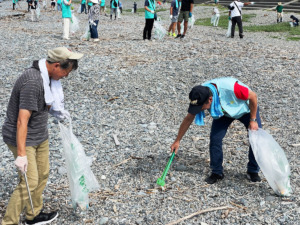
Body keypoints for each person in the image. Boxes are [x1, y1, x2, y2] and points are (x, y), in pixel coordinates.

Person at [1, 47, 83, 225]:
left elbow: (45, 106)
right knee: (29, 182)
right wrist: (21, 155)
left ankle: (33, 214)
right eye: (65, 72)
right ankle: (9, 222)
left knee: (43, 174)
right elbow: (22, 121)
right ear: (55, 66)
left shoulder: (49, 80)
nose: (65, 77)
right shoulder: (33, 82)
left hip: (39, 135)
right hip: (22, 137)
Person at [170, 77, 263, 184]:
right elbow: (189, 118)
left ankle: (253, 171)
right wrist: (177, 140)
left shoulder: (232, 89)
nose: (199, 110)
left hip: (245, 110)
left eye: (201, 107)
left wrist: (253, 120)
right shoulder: (199, 94)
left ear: (210, 99)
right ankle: (217, 172)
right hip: (222, 111)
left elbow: (253, 96)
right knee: (215, 139)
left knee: (256, 138)